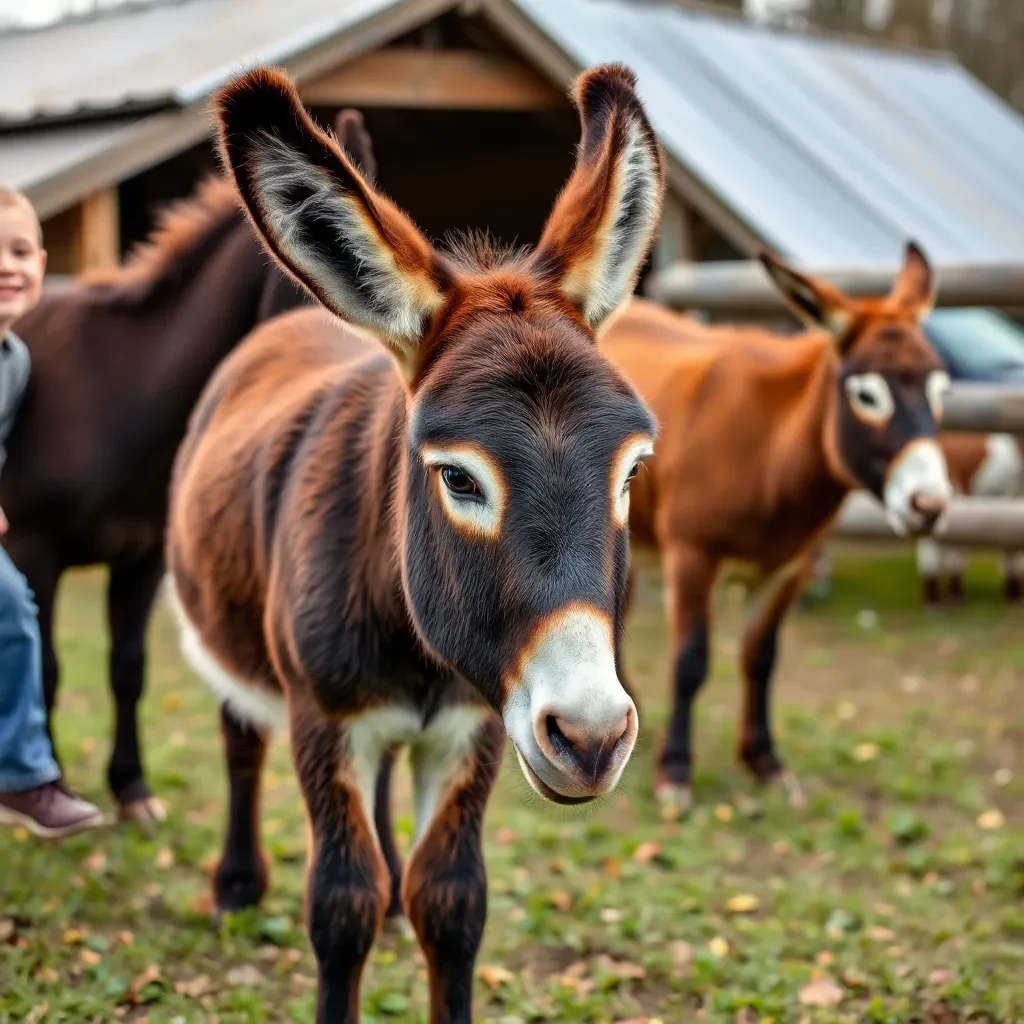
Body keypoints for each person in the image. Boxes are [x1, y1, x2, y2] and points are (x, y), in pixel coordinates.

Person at [0, 187, 107, 838]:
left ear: (41, 263)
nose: (7, 266)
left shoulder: (15, 362)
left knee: (11, 609)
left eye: (18, 251)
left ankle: (20, 774)